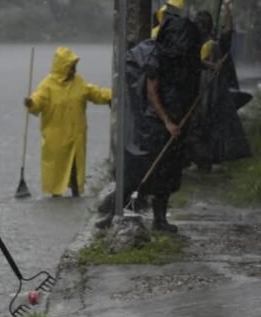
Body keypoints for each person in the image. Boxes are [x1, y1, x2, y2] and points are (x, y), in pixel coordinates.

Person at [128, 13, 202, 232]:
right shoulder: (156, 58)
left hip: (180, 120)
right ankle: (136, 210)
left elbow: (194, 62)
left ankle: (161, 219)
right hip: (157, 124)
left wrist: (209, 66)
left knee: (171, 171)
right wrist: (167, 122)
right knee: (154, 170)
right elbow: (152, 93)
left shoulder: (183, 56)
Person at [24, 47, 112, 198]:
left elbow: (94, 93)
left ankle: (76, 192)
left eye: (74, 67)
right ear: (62, 68)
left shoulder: (79, 82)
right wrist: (31, 103)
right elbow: (38, 101)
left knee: (75, 167)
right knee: (56, 167)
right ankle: (56, 194)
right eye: (71, 67)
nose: (73, 71)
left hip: (76, 134)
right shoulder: (47, 85)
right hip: (56, 136)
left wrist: (112, 95)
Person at [189, 1, 251, 171]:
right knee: (200, 128)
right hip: (201, 95)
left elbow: (228, 31)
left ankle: (209, 161)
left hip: (212, 94)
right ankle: (202, 161)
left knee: (211, 128)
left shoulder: (216, 44)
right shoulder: (194, 44)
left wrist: (228, 9)